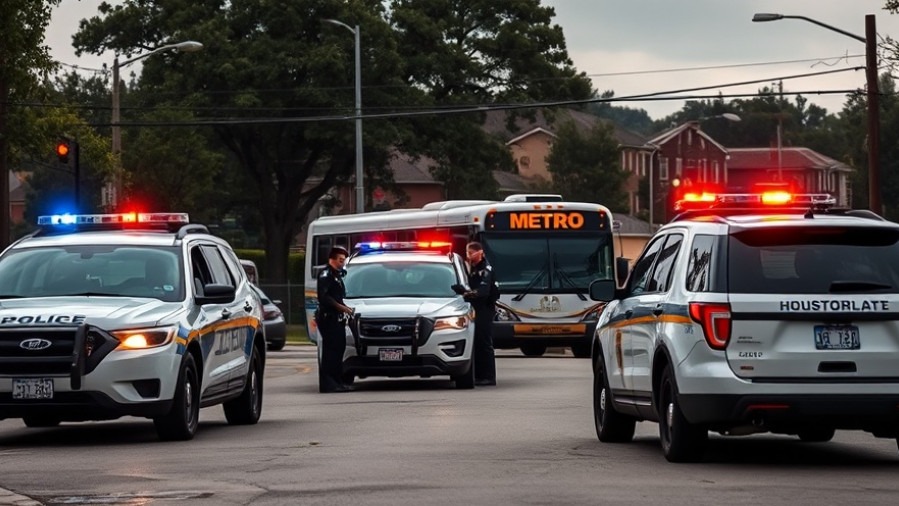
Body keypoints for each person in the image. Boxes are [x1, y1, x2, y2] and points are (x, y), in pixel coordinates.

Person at [316, 245, 354, 393]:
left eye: (343, 260)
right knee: (330, 352)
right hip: (328, 319)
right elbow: (325, 297)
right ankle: (328, 384)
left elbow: (337, 297)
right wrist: (341, 308)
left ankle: (338, 382)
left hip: (337, 320)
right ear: (332, 259)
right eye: (340, 260)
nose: (342, 263)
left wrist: (346, 308)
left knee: (339, 350)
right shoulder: (325, 275)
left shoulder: (336, 276)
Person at [462, 241, 498, 386]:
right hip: (475, 308)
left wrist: (467, 293)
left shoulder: (486, 269)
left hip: (484, 308)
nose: (469, 256)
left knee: (484, 342)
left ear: (480, 252)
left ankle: (488, 377)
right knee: (476, 341)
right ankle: (478, 374)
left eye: (471, 253)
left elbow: (483, 291)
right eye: (468, 253)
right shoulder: (472, 267)